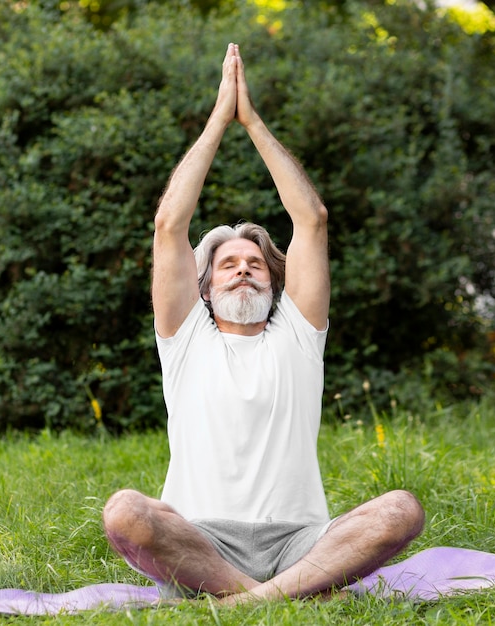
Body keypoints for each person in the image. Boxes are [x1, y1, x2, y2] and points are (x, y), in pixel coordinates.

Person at [102, 42, 424, 604]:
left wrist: (251, 121)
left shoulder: (298, 335)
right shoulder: (185, 338)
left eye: (256, 264)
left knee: (402, 509)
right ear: (204, 288)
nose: (244, 270)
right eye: (228, 265)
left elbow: (312, 218)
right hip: (201, 540)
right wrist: (217, 120)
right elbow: (168, 224)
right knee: (126, 511)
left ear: (275, 284)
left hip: (301, 540)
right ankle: (280, 595)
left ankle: (248, 599)